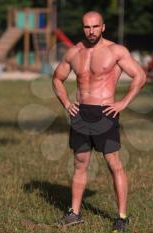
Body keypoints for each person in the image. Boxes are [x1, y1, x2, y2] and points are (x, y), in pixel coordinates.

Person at [52, 11, 147, 232]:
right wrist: (66, 102)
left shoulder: (115, 51)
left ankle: (122, 217)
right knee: (80, 163)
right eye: (87, 27)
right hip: (81, 113)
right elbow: (57, 78)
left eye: (95, 26)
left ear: (103, 27)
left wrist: (123, 102)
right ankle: (74, 213)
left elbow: (140, 76)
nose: (91, 31)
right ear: (82, 28)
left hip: (106, 113)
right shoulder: (74, 52)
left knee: (114, 164)